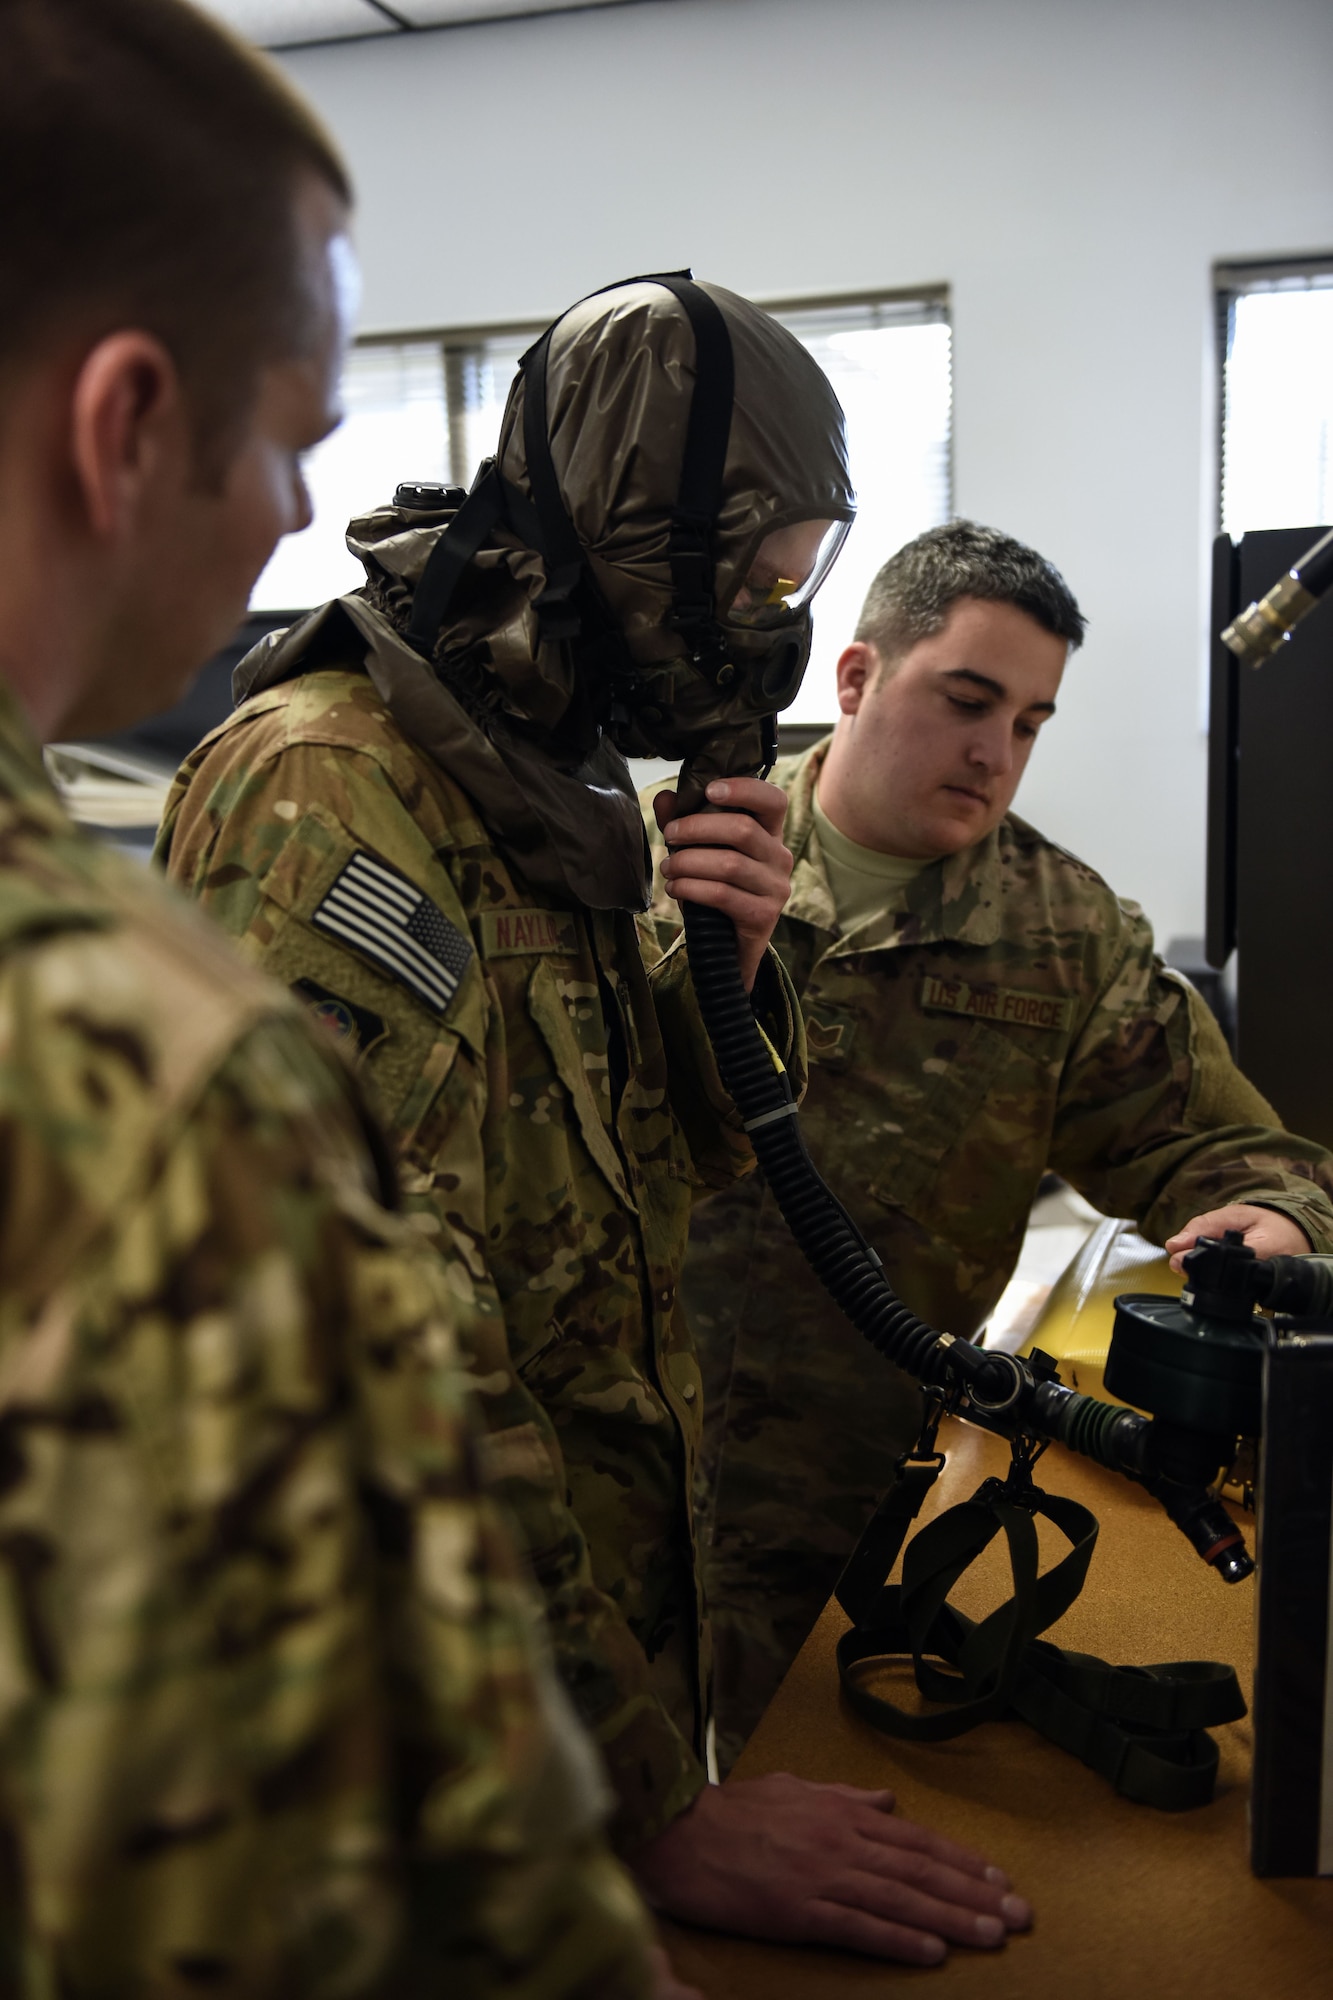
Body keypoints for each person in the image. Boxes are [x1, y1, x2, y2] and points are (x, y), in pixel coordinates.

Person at [160, 280, 1032, 1968]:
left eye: (799, 579)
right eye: (759, 579)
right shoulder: (333, 789)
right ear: (642, 545)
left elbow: (639, 1186)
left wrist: (735, 967)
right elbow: (383, 1358)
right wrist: (637, 1798)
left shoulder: (539, 781)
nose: (777, 626)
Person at [0, 1, 677, 1989]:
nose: (306, 513)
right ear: (125, 422)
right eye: (292, 438)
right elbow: (382, 1887)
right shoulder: (147, 1074)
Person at [642, 518, 1333, 1772]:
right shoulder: (679, 862)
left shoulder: (1061, 937)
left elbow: (1231, 1148)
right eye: (968, 701)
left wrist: (1268, 1219)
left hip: (827, 1517)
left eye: (1028, 722)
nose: (995, 751)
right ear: (853, 679)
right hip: (599, 1488)